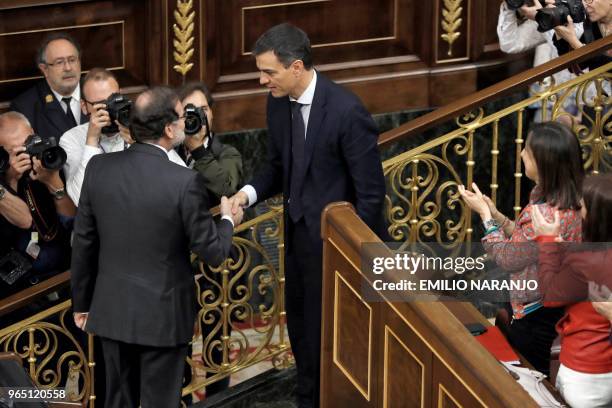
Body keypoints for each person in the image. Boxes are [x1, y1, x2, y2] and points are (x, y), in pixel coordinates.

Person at [228, 23, 386, 408]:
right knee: (300, 331)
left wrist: (356, 260)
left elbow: (370, 195)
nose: (262, 80)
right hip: (298, 242)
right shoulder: (277, 102)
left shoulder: (347, 111)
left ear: (296, 66)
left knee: (331, 338)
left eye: (269, 72)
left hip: (339, 254)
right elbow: (277, 165)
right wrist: (246, 195)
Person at [70, 86, 242, 408]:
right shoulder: (183, 181)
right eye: (181, 116)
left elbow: (84, 242)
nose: (185, 122)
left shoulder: (99, 169)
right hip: (163, 317)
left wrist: (82, 302)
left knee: (117, 401)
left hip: (111, 311)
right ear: (168, 129)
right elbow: (214, 252)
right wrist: (228, 220)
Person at [459, 121, 584, 376]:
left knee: (531, 376)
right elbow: (529, 243)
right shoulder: (570, 198)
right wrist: (497, 215)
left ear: (542, 161)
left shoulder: (544, 211)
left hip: (534, 311)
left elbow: (507, 258)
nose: (521, 154)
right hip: (555, 299)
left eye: (526, 149)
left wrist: (485, 216)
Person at [531, 173, 612, 407]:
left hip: (585, 372)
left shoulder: (585, 261)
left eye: (583, 206)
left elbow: (549, 294)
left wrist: (546, 241)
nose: (578, 211)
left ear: (597, 217)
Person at [60, 68, 185, 205]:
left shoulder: (140, 128)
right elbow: (80, 200)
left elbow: (181, 177)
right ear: (84, 106)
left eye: (113, 100)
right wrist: (91, 141)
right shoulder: (72, 139)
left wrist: (140, 144)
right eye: (100, 104)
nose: (109, 109)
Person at [0, 112, 75, 290]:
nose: (27, 153)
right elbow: (22, 223)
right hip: (25, 270)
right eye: (16, 151)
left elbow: (73, 224)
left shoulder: (53, 156)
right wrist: (12, 180)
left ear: (34, 133)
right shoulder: (4, 175)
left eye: (28, 143)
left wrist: (53, 181)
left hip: (65, 256)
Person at [497, 0, 583, 122]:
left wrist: (541, 17)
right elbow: (509, 43)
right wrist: (510, 7)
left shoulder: (593, 12)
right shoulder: (551, 12)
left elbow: (569, 50)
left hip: (590, 107)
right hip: (550, 104)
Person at [11, 32, 87, 141]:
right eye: (59, 62)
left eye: (72, 60)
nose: (68, 68)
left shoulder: (97, 91)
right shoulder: (25, 108)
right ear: (44, 69)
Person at [178, 82, 243, 206]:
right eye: (189, 111)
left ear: (212, 113)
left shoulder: (227, 153)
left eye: (203, 109)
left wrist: (198, 150)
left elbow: (228, 192)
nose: (198, 116)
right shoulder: (171, 151)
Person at [552, 0, 612, 70]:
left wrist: (576, 44)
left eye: (589, 0)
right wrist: (560, 28)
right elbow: (575, 66)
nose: (584, 5)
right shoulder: (592, 24)